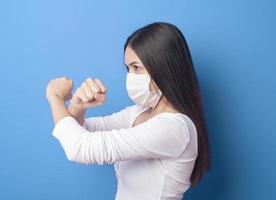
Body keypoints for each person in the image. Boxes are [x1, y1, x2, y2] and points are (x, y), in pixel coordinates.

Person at [46, 22, 210, 200]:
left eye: (136, 68)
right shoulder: (138, 113)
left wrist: (54, 96)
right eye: (128, 69)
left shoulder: (175, 128)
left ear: (163, 68)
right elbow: (80, 130)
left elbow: (80, 148)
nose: (130, 76)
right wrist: (78, 106)